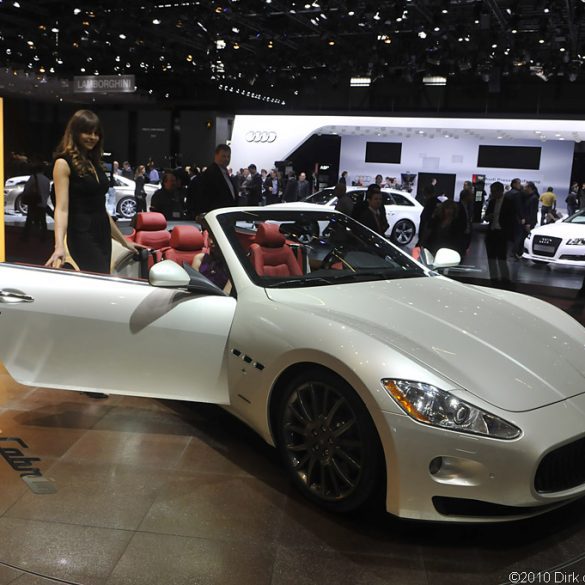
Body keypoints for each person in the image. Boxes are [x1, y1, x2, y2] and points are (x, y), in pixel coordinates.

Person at [45, 110, 136, 274]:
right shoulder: (63, 163)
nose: (93, 137)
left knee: (103, 276)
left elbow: (101, 209)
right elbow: (61, 209)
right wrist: (59, 246)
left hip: (102, 232)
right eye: (87, 132)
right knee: (99, 277)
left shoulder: (94, 163)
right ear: (75, 133)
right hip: (82, 232)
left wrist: (124, 242)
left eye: (96, 133)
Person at [484, 181, 515, 287]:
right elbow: (486, 216)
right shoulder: (492, 202)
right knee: (491, 259)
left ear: (500, 191)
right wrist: (488, 217)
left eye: (494, 191)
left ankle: (505, 281)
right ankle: (494, 280)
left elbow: (511, 219)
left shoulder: (509, 203)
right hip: (491, 233)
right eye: (491, 191)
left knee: (502, 258)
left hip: (502, 234)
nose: (492, 194)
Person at [195, 144, 238, 214]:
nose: (226, 159)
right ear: (216, 156)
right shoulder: (210, 173)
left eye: (228, 156)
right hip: (217, 215)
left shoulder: (225, 173)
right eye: (223, 156)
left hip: (227, 214)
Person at [21, 162, 50, 241]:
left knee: (29, 220)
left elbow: (27, 189)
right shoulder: (47, 180)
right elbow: (47, 192)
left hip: (34, 202)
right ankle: (43, 237)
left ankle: (25, 236)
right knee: (43, 220)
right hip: (42, 203)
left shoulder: (33, 178)